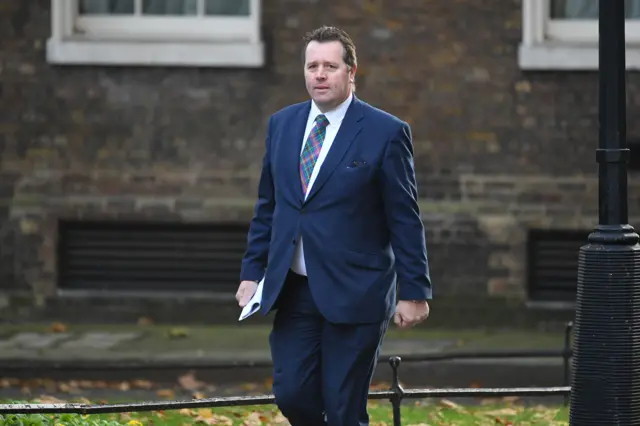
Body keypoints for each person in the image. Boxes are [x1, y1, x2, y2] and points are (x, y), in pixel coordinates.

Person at [235, 25, 432, 426]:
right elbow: (268, 207)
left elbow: (404, 218)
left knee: (343, 407)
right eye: (312, 66)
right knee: (292, 394)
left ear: (351, 72)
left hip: (357, 291)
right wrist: (253, 271)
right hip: (294, 290)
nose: (320, 74)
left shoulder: (385, 132)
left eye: (330, 65)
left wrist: (415, 291)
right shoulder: (283, 125)